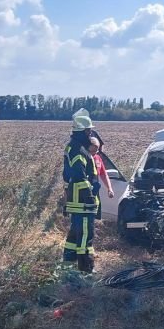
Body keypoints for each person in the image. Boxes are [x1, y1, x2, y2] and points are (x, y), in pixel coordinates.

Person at [63, 109, 100, 271]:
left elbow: (68, 176)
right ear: (84, 131)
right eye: (89, 130)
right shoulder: (79, 150)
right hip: (83, 203)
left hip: (76, 201)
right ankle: (86, 272)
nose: (91, 133)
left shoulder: (74, 147)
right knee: (85, 238)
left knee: (74, 236)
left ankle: (68, 266)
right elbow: (79, 175)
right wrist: (89, 196)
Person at [89, 132, 114, 219]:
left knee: (96, 217)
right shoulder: (83, 159)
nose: (93, 153)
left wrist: (109, 189)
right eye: (91, 151)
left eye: (95, 151)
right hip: (86, 193)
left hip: (96, 193)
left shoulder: (98, 158)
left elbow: (104, 174)